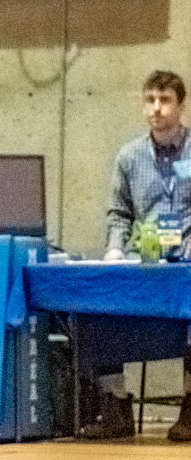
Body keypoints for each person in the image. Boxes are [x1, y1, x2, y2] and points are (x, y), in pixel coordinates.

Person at [82, 70, 191, 441]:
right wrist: (114, 249)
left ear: (181, 104)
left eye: (165, 101)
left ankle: (190, 409)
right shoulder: (129, 157)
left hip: (188, 261)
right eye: (150, 100)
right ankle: (116, 408)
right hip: (146, 260)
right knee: (100, 311)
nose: (156, 109)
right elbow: (119, 213)